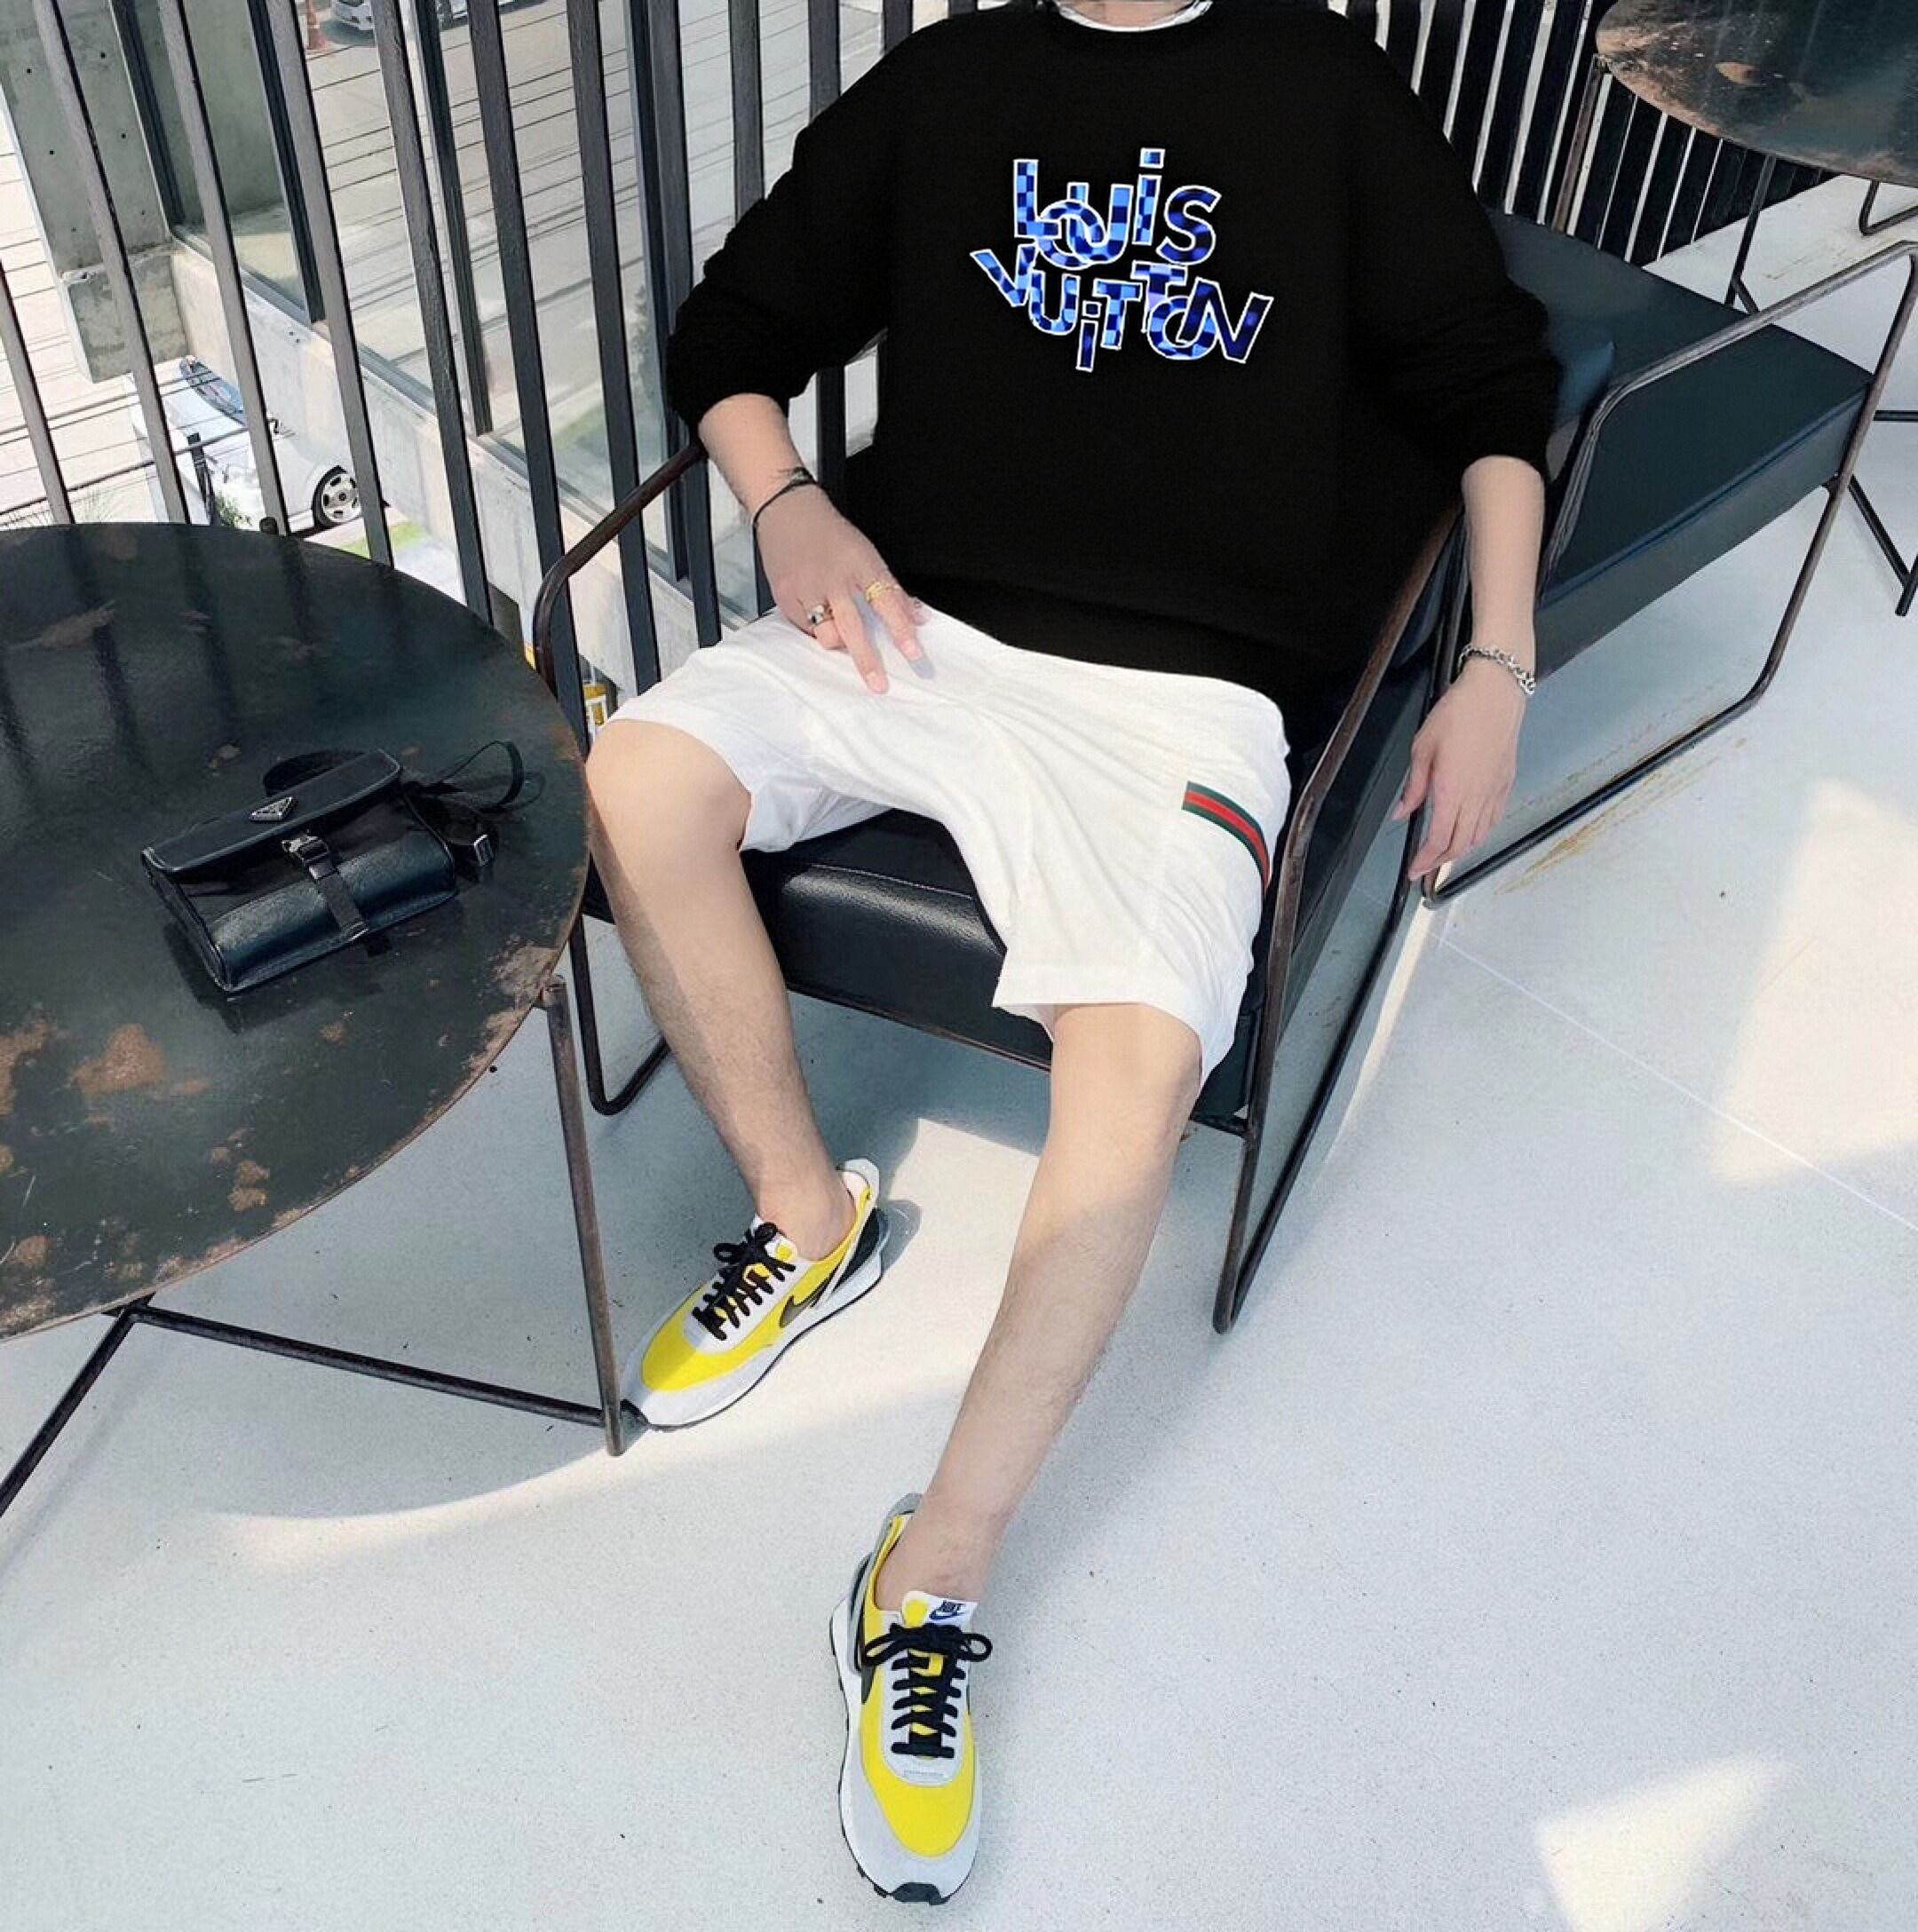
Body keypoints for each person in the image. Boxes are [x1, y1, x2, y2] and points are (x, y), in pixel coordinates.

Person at [584, 0, 1558, 1902]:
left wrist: (1500, 665)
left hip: (1187, 699)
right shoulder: (952, 84)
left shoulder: (1324, 90)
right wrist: (787, 499)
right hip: (910, 621)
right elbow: (734, 330)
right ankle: (807, 1218)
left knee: (1132, 1079)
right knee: (634, 778)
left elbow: (1489, 392)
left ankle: (928, 1574)